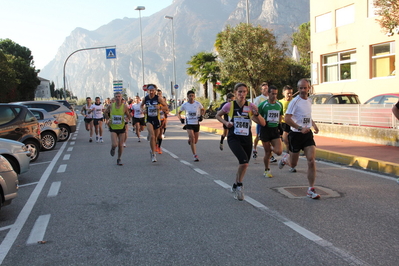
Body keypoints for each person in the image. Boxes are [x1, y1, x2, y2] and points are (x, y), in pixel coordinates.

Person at [215, 83, 265, 201]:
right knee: (244, 162)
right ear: (235, 92)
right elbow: (218, 115)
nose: (242, 94)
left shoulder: (250, 106)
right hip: (234, 138)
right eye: (240, 92)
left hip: (246, 138)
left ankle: (235, 184)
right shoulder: (229, 106)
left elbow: (263, 123)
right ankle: (240, 186)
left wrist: (257, 114)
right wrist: (226, 123)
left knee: (244, 164)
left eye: (244, 92)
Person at [278, 79, 320, 199]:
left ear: (309, 88)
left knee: (311, 160)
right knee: (293, 164)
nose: (302, 90)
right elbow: (287, 118)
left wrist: (314, 124)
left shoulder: (309, 101)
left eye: (304, 88)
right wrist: (299, 127)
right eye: (300, 88)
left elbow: (307, 116)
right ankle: (286, 159)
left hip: (307, 135)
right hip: (296, 135)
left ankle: (311, 189)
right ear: (298, 89)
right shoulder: (294, 102)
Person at [258, 85, 283, 178]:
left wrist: (280, 126)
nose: (274, 96)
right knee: (267, 153)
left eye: (276, 94)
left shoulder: (279, 104)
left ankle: (271, 148)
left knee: (279, 151)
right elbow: (255, 115)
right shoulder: (263, 105)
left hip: (275, 129)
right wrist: (261, 122)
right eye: (272, 94)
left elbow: (280, 115)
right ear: (268, 94)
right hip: (265, 129)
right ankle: (267, 169)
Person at [140, 84, 168, 163]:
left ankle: (152, 149)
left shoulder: (158, 98)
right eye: (150, 90)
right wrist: (143, 110)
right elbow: (141, 106)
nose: (151, 92)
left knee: (155, 138)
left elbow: (166, 107)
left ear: (155, 91)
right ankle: (153, 154)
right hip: (149, 119)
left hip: (157, 119)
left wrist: (160, 107)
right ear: (147, 91)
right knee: (152, 136)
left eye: (153, 90)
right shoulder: (145, 99)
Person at [104, 92, 131, 165]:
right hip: (113, 127)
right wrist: (108, 119)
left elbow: (128, 115)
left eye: (119, 96)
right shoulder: (111, 106)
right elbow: (105, 113)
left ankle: (119, 159)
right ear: (114, 98)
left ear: (121, 97)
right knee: (115, 144)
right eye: (116, 96)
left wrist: (127, 119)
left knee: (120, 145)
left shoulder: (124, 106)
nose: (118, 98)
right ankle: (113, 148)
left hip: (121, 127)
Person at [177, 90, 205, 161]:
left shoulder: (198, 104)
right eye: (190, 96)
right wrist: (181, 119)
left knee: (195, 141)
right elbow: (179, 113)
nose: (191, 97)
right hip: (189, 123)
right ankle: (195, 155)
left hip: (196, 123)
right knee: (192, 138)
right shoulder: (185, 105)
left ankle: (190, 140)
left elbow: (203, 109)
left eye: (192, 96)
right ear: (187, 97)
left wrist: (202, 116)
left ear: (194, 96)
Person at [279, 85, 296, 172]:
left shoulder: (294, 101)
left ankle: (288, 160)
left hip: (293, 123)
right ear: (283, 93)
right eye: (288, 93)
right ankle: (286, 157)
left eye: (291, 93)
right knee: (286, 141)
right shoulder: (280, 102)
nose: (289, 95)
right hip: (284, 123)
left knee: (292, 144)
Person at [253, 82, 269, 159]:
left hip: (270, 122)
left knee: (269, 138)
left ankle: (270, 155)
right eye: (264, 89)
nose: (266, 90)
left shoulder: (271, 97)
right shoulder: (259, 99)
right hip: (261, 121)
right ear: (261, 90)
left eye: (267, 88)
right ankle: (254, 148)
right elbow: (255, 109)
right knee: (258, 136)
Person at [156, 90, 169, 154]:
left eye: (160, 94)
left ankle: (159, 147)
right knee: (156, 134)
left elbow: (167, 110)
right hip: (155, 119)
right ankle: (156, 144)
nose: (159, 95)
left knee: (160, 134)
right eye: (157, 94)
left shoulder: (163, 103)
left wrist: (162, 109)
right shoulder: (153, 102)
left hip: (162, 119)